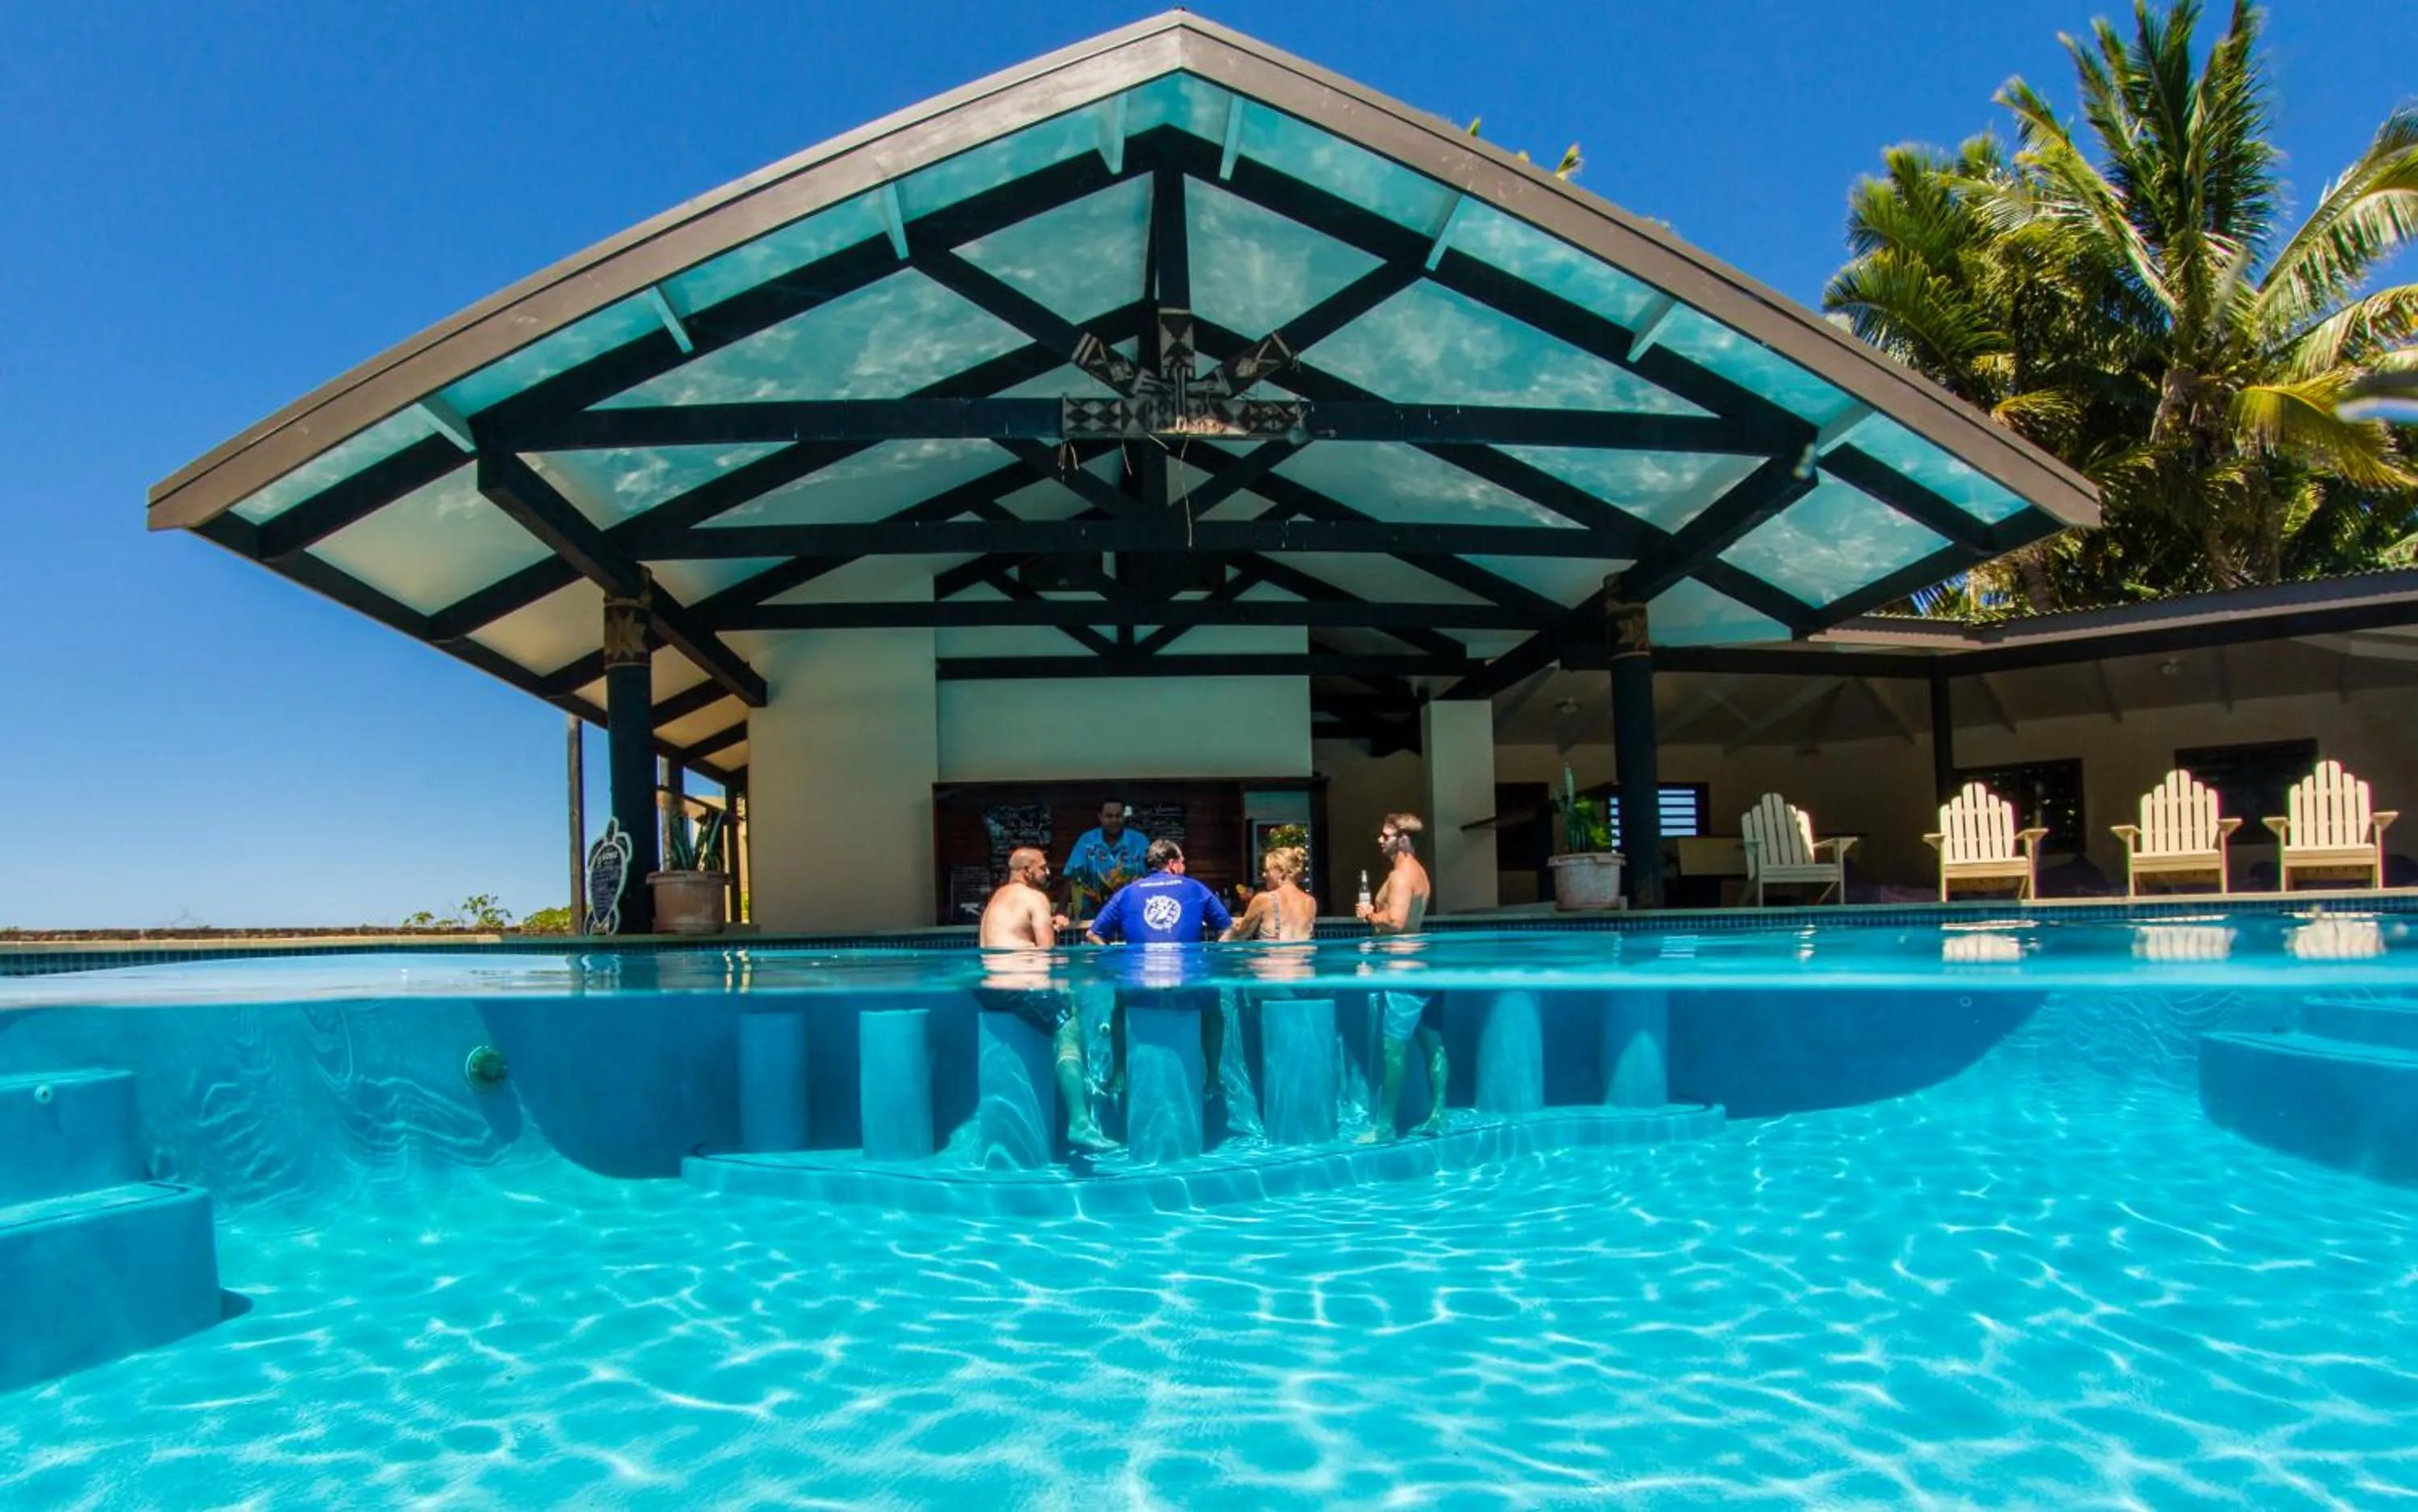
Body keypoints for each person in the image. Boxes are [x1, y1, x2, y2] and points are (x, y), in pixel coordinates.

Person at [976, 847, 1117, 1153]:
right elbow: (1047, 955)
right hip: (1017, 985)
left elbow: (1013, 936)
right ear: (1027, 870)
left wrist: (1048, 922)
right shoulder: (1035, 898)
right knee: (1067, 1018)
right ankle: (1080, 1122)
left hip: (988, 990)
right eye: (1044, 868)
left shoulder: (997, 899)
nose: (1049, 874)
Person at [1086, 839, 1233, 1101]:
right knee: (1213, 1006)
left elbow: (1093, 934)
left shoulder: (1127, 893)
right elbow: (1228, 929)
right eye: (1183, 861)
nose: (1185, 866)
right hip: (1188, 985)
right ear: (1172, 863)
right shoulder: (1196, 888)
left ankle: (1119, 1072)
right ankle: (1212, 1076)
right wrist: (1212, 959)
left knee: (1119, 1004)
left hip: (1141, 986)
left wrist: (1117, 962)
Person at [1356, 813, 1446, 1141]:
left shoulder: (1400, 876)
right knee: (1432, 1044)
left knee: (1393, 1049)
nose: (1380, 840)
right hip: (1422, 967)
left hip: (1402, 970)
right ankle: (1438, 1115)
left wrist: (1370, 916)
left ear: (1403, 840)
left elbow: (1394, 921)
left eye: (1386, 835)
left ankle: (1384, 1126)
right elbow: (1397, 911)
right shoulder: (1418, 873)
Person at [1062, 800, 1149, 924]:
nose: (1114, 820)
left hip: (1131, 913)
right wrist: (1060, 911)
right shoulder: (1087, 841)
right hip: (1092, 916)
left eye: (1118, 816)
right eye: (1109, 816)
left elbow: (1150, 875)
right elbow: (1073, 876)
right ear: (1100, 817)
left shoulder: (1139, 841)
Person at [1223, 845, 1317, 941]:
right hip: (1303, 956)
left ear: (1282, 872)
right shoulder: (1310, 902)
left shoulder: (1265, 899)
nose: (1264, 875)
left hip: (1273, 955)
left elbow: (1239, 934)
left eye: (1268, 871)